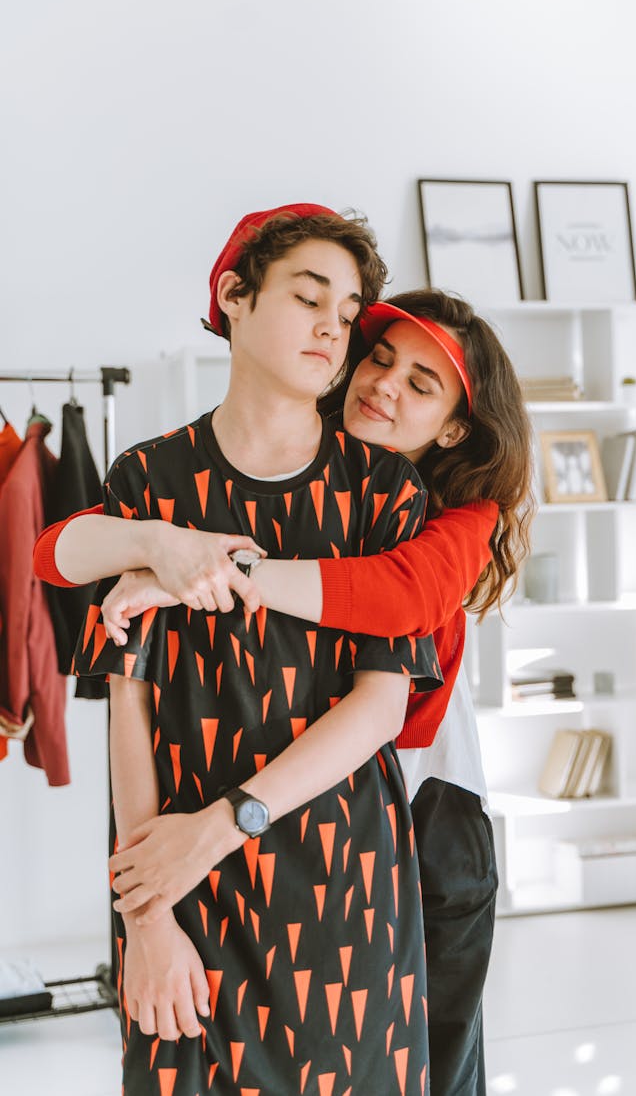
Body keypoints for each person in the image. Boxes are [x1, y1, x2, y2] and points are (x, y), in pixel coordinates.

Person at [36, 288, 534, 1094]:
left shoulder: (455, 518)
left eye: (422, 383)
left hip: (428, 810)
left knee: (432, 1073)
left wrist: (208, 571)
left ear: (453, 428)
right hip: (295, 808)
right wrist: (156, 544)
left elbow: (394, 597)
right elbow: (55, 550)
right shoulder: (271, 473)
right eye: (381, 357)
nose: (385, 385)